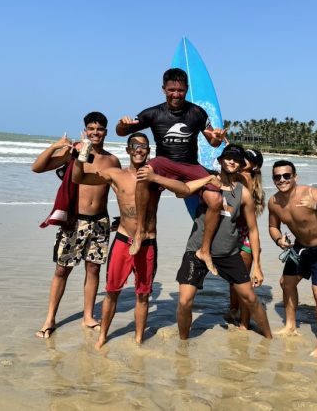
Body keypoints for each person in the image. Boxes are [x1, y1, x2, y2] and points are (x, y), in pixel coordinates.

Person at [71, 132, 218, 349]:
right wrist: (82, 153)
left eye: (143, 147)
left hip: (148, 242)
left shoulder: (154, 177)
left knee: (143, 294)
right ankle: (103, 336)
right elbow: (78, 178)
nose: (139, 149)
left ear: (149, 152)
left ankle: (139, 338)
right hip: (123, 240)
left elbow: (183, 191)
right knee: (112, 291)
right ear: (128, 150)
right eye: (134, 146)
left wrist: (203, 178)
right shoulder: (116, 174)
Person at [141, 144, 271, 340]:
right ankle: (183, 343)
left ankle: (269, 338)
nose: (231, 161)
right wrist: (207, 179)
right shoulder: (205, 182)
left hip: (228, 252)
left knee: (251, 298)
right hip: (196, 250)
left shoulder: (243, 192)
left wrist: (258, 266)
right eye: (227, 157)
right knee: (184, 301)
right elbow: (181, 192)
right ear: (220, 161)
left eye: (236, 159)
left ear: (240, 164)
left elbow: (253, 230)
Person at [116, 68, 226, 274]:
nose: (176, 94)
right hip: (164, 163)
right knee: (144, 174)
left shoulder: (197, 113)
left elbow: (212, 141)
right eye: (171, 90)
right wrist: (122, 125)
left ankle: (205, 250)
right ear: (163, 89)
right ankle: (139, 232)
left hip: (190, 165)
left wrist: (217, 138)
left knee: (216, 200)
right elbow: (122, 131)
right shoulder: (153, 113)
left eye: (180, 90)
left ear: (187, 90)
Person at [32, 112, 120, 339]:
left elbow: (121, 190)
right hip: (75, 221)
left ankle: (88, 317)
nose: (95, 132)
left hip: (100, 221)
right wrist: (56, 146)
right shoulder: (74, 152)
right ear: (85, 130)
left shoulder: (112, 160)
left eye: (99, 129)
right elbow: (38, 167)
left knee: (93, 269)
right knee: (62, 269)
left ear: (106, 132)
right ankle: (50, 318)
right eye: (91, 128)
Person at [267, 160, 317, 357]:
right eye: (277, 177)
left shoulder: (311, 193)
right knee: (286, 283)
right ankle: (291, 326)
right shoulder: (274, 202)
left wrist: (316, 206)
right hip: (302, 247)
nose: (282, 180)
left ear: (295, 177)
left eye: (287, 175)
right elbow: (272, 226)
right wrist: (279, 239)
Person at [229, 148, 265, 329]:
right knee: (234, 280)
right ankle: (234, 311)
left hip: (242, 236)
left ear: (255, 166)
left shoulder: (243, 180)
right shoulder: (237, 176)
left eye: (246, 159)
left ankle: (244, 322)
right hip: (236, 234)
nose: (242, 160)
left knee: (241, 283)